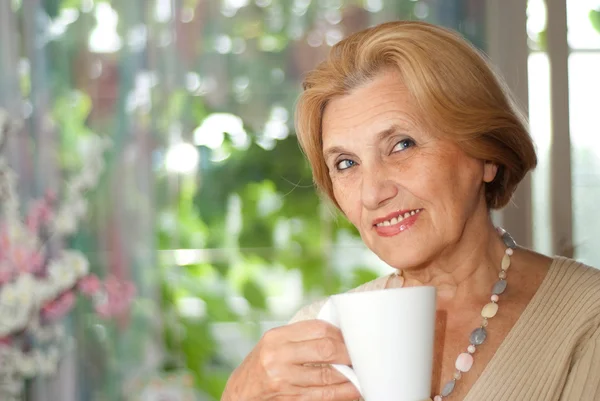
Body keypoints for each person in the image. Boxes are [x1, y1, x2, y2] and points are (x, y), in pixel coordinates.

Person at [221, 21, 600, 401]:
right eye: (346, 164)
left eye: (402, 145)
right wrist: (238, 395)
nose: (372, 193)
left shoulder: (588, 318)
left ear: (486, 154)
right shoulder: (317, 337)